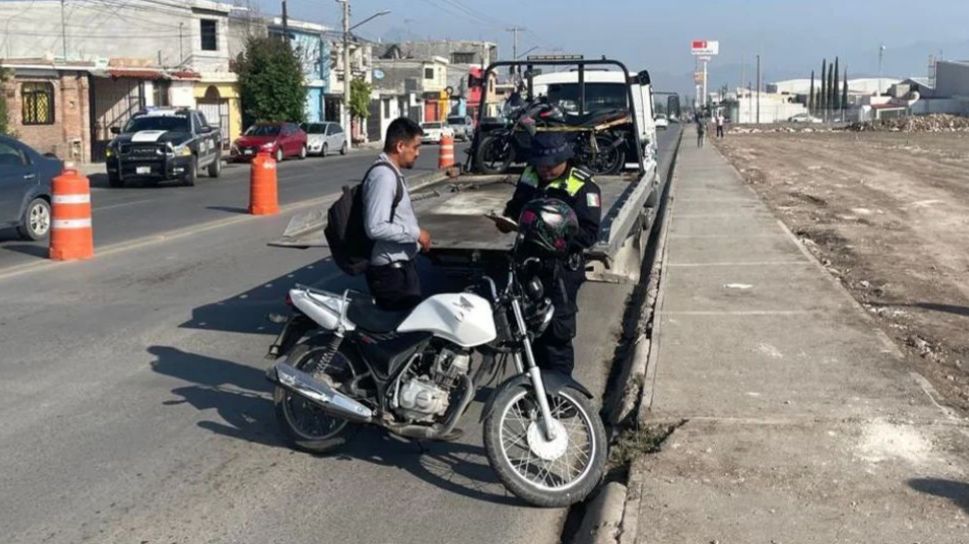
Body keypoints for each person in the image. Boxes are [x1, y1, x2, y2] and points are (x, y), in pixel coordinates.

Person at [497, 132, 602, 377]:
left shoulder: (583, 185)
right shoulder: (530, 175)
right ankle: (530, 392)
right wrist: (508, 220)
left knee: (555, 336)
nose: (544, 170)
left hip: (559, 271)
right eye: (540, 164)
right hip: (527, 265)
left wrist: (551, 239)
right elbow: (516, 206)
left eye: (551, 166)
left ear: (565, 159)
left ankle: (559, 394)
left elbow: (588, 233)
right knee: (525, 332)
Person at [362, 117, 432, 311]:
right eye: (415, 147)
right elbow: (375, 227)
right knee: (400, 334)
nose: (418, 153)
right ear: (400, 146)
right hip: (390, 274)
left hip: (400, 269)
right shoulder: (383, 177)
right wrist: (416, 233)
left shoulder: (391, 173)